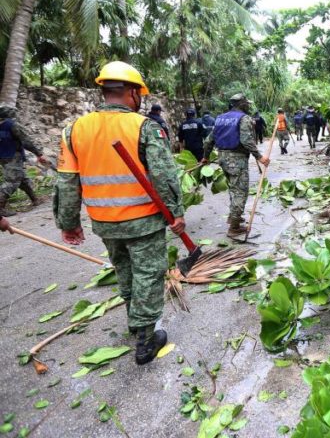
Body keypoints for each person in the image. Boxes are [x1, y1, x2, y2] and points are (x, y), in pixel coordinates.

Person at [55, 60, 185, 365]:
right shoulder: (144, 127)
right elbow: (165, 177)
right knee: (148, 275)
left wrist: (69, 223)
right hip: (143, 221)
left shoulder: (74, 129)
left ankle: (134, 322)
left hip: (105, 223)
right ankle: (146, 339)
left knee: (125, 272)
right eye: (140, 93)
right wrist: (177, 213)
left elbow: (66, 181)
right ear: (132, 93)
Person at [202, 94, 269, 237]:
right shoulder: (243, 118)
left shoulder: (220, 118)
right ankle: (234, 227)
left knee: (233, 188)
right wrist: (260, 157)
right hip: (237, 159)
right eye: (247, 103)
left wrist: (205, 157)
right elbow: (246, 140)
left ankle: (234, 216)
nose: (248, 106)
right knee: (240, 191)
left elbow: (208, 141)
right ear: (242, 104)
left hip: (223, 158)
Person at [0, 106, 49, 216]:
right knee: (12, 181)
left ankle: (35, 199)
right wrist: (39, 154)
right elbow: (26, 141)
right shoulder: (12, 125)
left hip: (3, 156)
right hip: (12, 155)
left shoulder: (2, 125)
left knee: (21, 178)